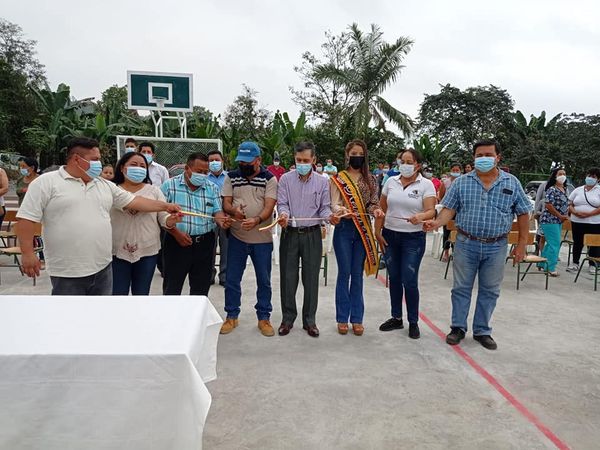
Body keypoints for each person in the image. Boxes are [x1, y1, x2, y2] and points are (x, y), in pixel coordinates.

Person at [16, 137, 181, 295]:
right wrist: (28, 253)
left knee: (103, 312)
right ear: (76, 159)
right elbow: (26, 219)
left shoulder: (104, 185)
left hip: (103, 267)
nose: (99, 164)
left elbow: (135, 201)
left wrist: (166, 206)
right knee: (69, 313)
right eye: (94, 159)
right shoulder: (46, 182)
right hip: (67, 270)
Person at [423, 139, 532, 350]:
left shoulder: (512, 183)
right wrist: (436, 223)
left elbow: (523, 214)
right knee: (461, 288)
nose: (484, 159)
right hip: (466, 243)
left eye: (488, 155)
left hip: (497, 245)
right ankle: (458, 328)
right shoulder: (462, 182)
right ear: (473, 158)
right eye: (479, 155)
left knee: (490, 290)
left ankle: (482, 331)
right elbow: (449, 210)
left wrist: (522, 244)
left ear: (498, 157)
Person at [375, 149, 436, 339]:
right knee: (394, 277)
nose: (405, 165)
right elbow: (381, 208)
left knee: (409, 279)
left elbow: (431, 211)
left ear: (418, 165)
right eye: (403, 161)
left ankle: (413, 321)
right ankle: (396, 317)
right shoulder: (390, 182)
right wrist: (377, 231)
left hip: (413, 238)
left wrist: (421, 216)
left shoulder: (426, 185)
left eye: (410, 162)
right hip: (390, 236)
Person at [276, 142, 334, 338]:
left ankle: (309, 321)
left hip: (312, 235)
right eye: (298, 160)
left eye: (306, 160)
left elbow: (324, 208)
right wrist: (283, 215)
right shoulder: (285, 179)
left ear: (313, 160)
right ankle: (287, 319)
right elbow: (282, 203)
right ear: (294, 158)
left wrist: (330, 217)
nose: (302, 164)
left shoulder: (322, 182)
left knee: (311, 279)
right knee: (288, 278)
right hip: (290, 234)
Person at [220, 141, 278, 337]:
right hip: (237, 237)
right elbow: (226, 203)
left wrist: (256, 220)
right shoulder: (231, 177)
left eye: (248, 162)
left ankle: (264, 317)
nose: (243, 165)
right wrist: (233, 211)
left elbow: (269, 206)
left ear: (258, 160)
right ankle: (231, 315)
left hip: (262, 239)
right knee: (232, 279)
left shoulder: (269, 179)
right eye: (241, 162)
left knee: (264, 280)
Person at [330, 139, 384, 336]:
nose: (357, 157)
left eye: (360, 154)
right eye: (353, 154)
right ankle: (342, 318)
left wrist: (376, 210)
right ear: (347, 155)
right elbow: (334, 203)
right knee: (344, 273)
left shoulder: (371, 179)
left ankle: (357, 318)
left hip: (363, 230)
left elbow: (372, 202)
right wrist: (341, 210)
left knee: (357, 274)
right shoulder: (338, 178)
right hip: (344, 228)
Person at [160, 152, 231, 296]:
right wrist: (176, 233)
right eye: (199, 171)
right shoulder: (169, 186)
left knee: (201, 290)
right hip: (176, 242)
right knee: (172, 288)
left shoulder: (212, 188)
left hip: (204, 244)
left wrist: (222, 222)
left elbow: (217, 212)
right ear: (187, 168)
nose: (203, 175)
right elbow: (160, 215)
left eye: (206, 172)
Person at [111, 152, 181, 295]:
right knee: (118, 294)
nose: (138, 168)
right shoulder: (113, 190)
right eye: (134, 165)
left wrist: (172, 220)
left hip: (147, 250)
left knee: (142, 294)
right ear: (122, 168)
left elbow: (164, 218)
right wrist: (165, 206)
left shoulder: (154, 191)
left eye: (142, 166)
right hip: (116, 250)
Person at [567, 168, 600, 274]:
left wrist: (589, 214)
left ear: (598, 179)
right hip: (577, 221)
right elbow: (570, 203)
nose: (590, 178)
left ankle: (592, 265)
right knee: (577, 242)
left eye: (593, 177)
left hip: (594, 222)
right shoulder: (578, 190)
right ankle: (575, 263)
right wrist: (575, 212)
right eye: (589, 175)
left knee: (594, 243)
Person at [537, 168, 569, 276]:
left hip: (558, 220)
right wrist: (559, 215)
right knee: (555, 244)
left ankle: (542, 263)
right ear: (555, 176)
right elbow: (548, 205)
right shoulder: (552, 189)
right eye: (560, 174)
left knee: (551, 243)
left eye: (564, 174)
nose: (562, 176)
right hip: (550, 220)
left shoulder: (564, 189)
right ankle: (550, 268)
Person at [208, 149, 228, 286]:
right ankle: (209, 275)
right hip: (209, 218)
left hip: (226, 218)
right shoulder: (204, 178)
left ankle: (224, 276)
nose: (214, 162)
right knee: (210, 248)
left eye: (217, 160)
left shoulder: (229, 178)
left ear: (222, 161)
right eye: (211, 160)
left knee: (226, 248)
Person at [439, 163, 463, 262]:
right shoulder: (446, 182)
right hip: (448, 210)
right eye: (454, 170)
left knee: (457, 232)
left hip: (460, 211)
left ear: (460, 171)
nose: (455, 172)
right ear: (450, 171)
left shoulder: (463, 181)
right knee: (447, 231)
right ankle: (446, 252)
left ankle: (455, 252)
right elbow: (441, 196)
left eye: (457, 170)